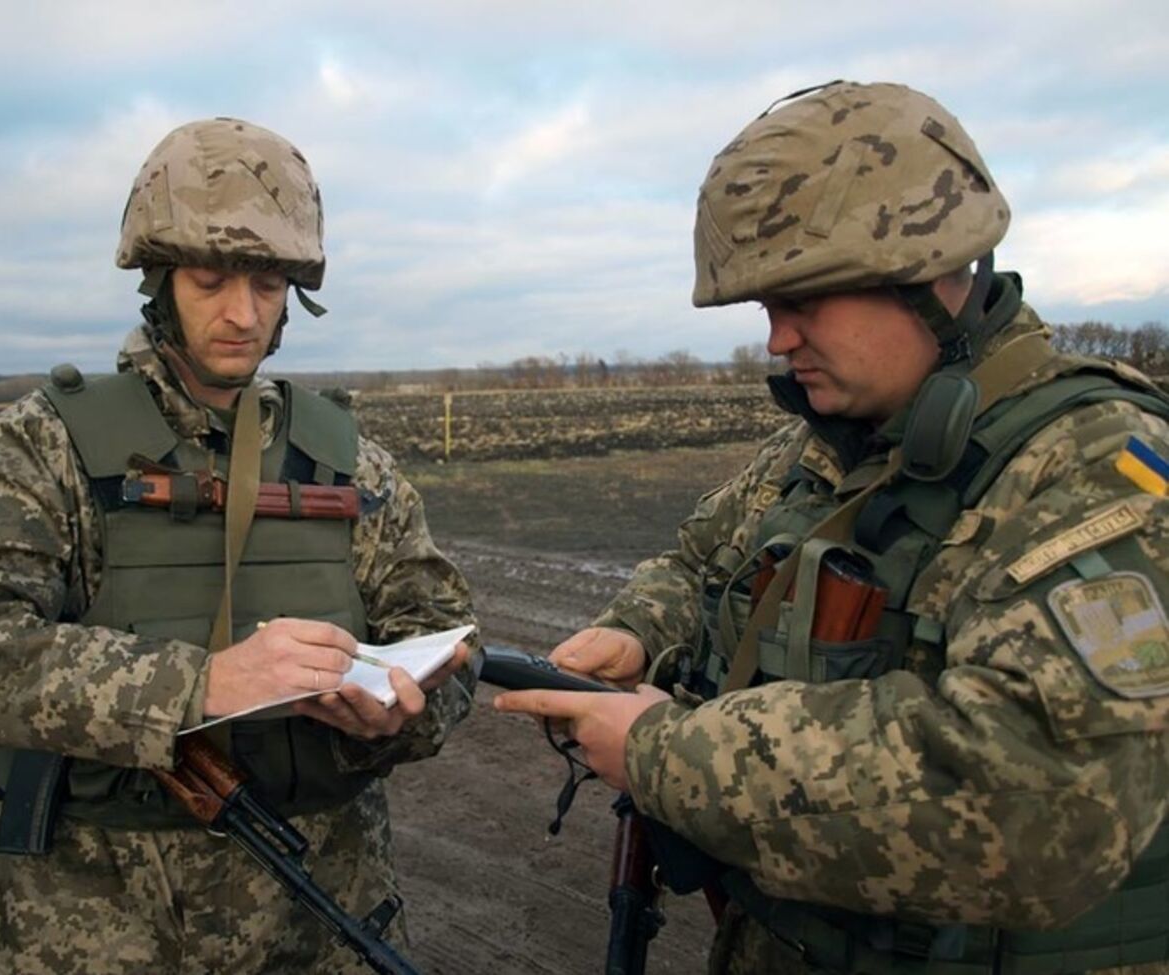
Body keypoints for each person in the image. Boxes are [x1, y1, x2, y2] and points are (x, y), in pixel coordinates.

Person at [495, 81, 1169, 974]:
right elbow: (700, 564)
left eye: (801, 300)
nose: (777, 340)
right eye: (766, 309)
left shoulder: (1101, 462)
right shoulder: (825, 449)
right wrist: (636, 629)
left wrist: (664, 753)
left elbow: (1040, 799)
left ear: (928, 270)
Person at [0, 117, 476, 974]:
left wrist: (396, 712)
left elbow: (449, 634)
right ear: (161, 280)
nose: (242, 313)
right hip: (91, 920)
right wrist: (199, 685)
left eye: (269, 283)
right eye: (210, 280)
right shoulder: (44, 445)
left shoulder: (348, 459)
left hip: (320, 915)